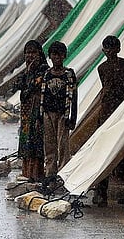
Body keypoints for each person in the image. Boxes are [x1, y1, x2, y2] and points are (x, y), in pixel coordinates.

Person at [94, 35, 124, 207]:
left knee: (120, 147)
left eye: (112, 48)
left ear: (118, 49)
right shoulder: (102, 68)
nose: (109, 51)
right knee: (104, 150)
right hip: (108, 112)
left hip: (121, 110)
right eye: (107, 48)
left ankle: (118, 175)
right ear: (103, 50)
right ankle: (101, 191)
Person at [40, 41, 77, 178]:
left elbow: (74, 96)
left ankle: (62, 174)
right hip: (48, 113)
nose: (57, 58)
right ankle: (50, 173)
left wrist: (73, 117)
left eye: (60, 55)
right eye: (54, 55)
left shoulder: (69, 74)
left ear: (64, 56)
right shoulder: (46, 75)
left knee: (62, 145)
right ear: (50, 56)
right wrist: (40, 116)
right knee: (49, 145)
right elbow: (42, 97)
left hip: (63, 113)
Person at [14, 40, 49, 181]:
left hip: (38, 110)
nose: (30, 56)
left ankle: (36, 174)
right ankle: (26, 172)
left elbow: (33, 86)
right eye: (28, 53)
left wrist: (29, 75)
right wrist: (28, 72)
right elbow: (16, 85)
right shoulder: (27, 70)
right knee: (26, 140)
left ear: (39, 54)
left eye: (33, 52)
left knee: (36, 140)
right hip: (26, 112)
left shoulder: (44, 70)